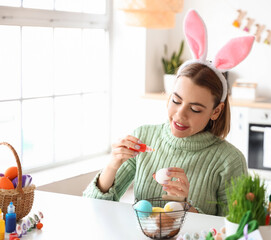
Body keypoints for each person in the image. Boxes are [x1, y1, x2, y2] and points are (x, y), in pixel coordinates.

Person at [83, 9, 255, 216]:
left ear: (216, 111)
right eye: (176, 100)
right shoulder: (143, 137)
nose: (180, 115)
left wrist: (185, 207)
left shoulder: (229, 160)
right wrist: (112, 164)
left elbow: (237, 231)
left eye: (195, 109)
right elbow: (92, 208)